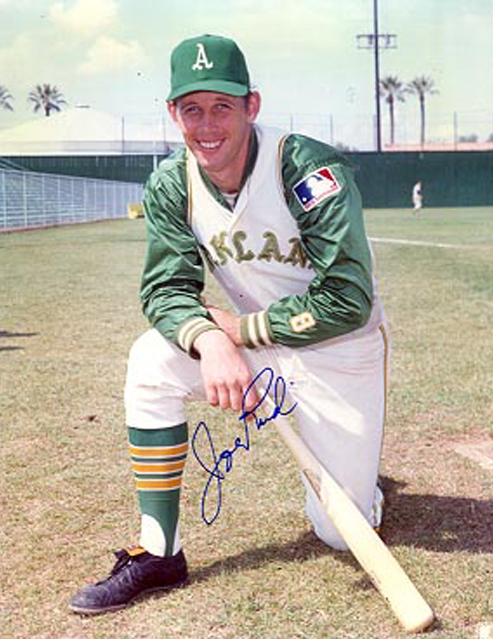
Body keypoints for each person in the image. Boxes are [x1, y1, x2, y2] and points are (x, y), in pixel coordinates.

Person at [69, 33, 390, 615]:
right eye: (192, 109)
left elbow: (348, 299)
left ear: (251, 106)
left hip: (338, 348)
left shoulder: (306, 168)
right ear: (173, 113)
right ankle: (159, 551)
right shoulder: (173, 183)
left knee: (340, 532)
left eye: (222, 106)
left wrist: (238, 333)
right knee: (150, 360)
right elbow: (166, 289)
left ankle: (364, 486)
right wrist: (209, 338)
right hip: (256, 344)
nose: (207, 125)